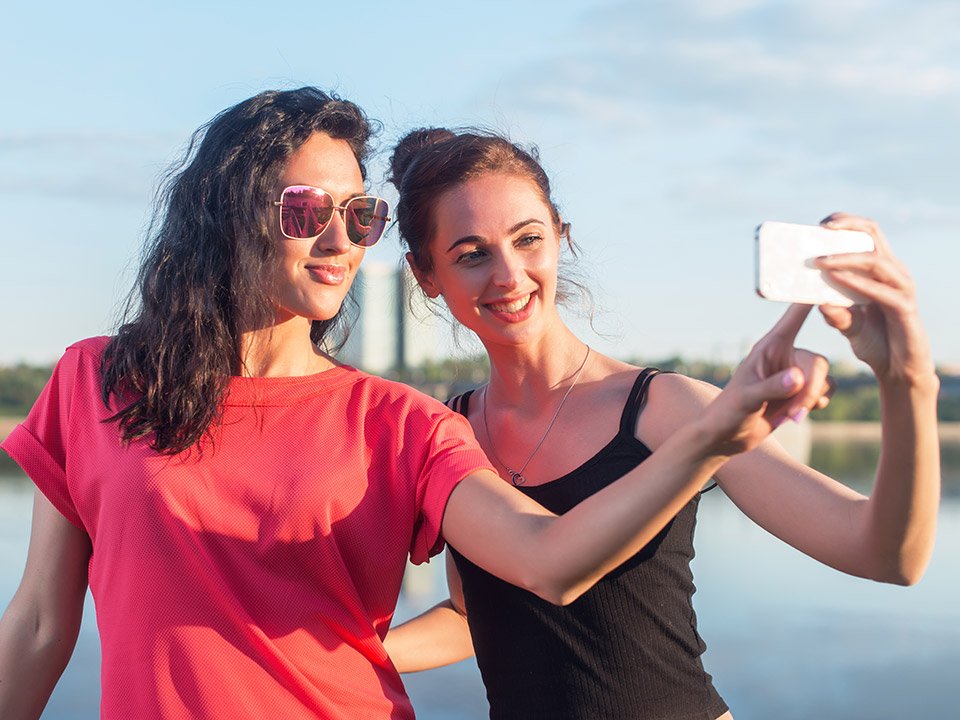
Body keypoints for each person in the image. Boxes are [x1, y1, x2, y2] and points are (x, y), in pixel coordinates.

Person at [0, 86, 835, 720]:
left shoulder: (398, 424)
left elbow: (548, 562)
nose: (338, 241)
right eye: (304, 210)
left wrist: (709, 437)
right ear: (226, 215)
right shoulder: (96, 381)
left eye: (360, 216)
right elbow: (40, 622)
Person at [382, 128, 942, 720]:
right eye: (472, 255)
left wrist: (906, 378)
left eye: (528, 240)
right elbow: (477, 618)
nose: (510, 276)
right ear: (425, 276)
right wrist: (316, 655)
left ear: (561, 239)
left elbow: (886, 555)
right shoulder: (449, 431)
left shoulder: (669, 408)